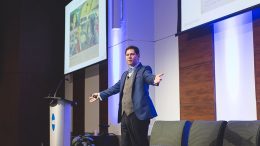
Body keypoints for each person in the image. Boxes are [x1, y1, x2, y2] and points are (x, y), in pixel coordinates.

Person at [89, 45, 163, 146]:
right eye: (127, 55)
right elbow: (115, 88)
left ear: (138, 56)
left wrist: (154, 80)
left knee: (140, 143)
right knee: (125, 143)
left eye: (132, 54)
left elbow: (148, 77)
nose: (129, 56)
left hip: (138, 115)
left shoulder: (144, 69)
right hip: (124, 116)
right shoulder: (124, 74)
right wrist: (100, 94)